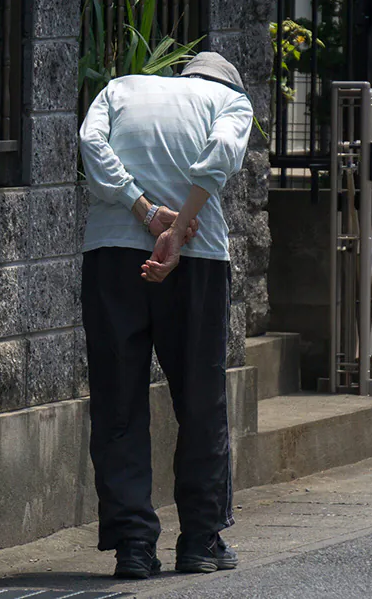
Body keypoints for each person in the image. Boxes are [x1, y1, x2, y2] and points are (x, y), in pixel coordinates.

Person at [79, 52, 254, 579]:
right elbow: (219, 155)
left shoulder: (120, 88)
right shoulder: (231, 101)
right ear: (226, 84)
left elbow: (91, 146)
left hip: (111, 253)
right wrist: (178, 231)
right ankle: (200, 540)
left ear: (184, 76)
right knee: (200, 398)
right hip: (197, 260)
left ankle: (133, 545)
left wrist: (144, 209)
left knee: (118, 398)